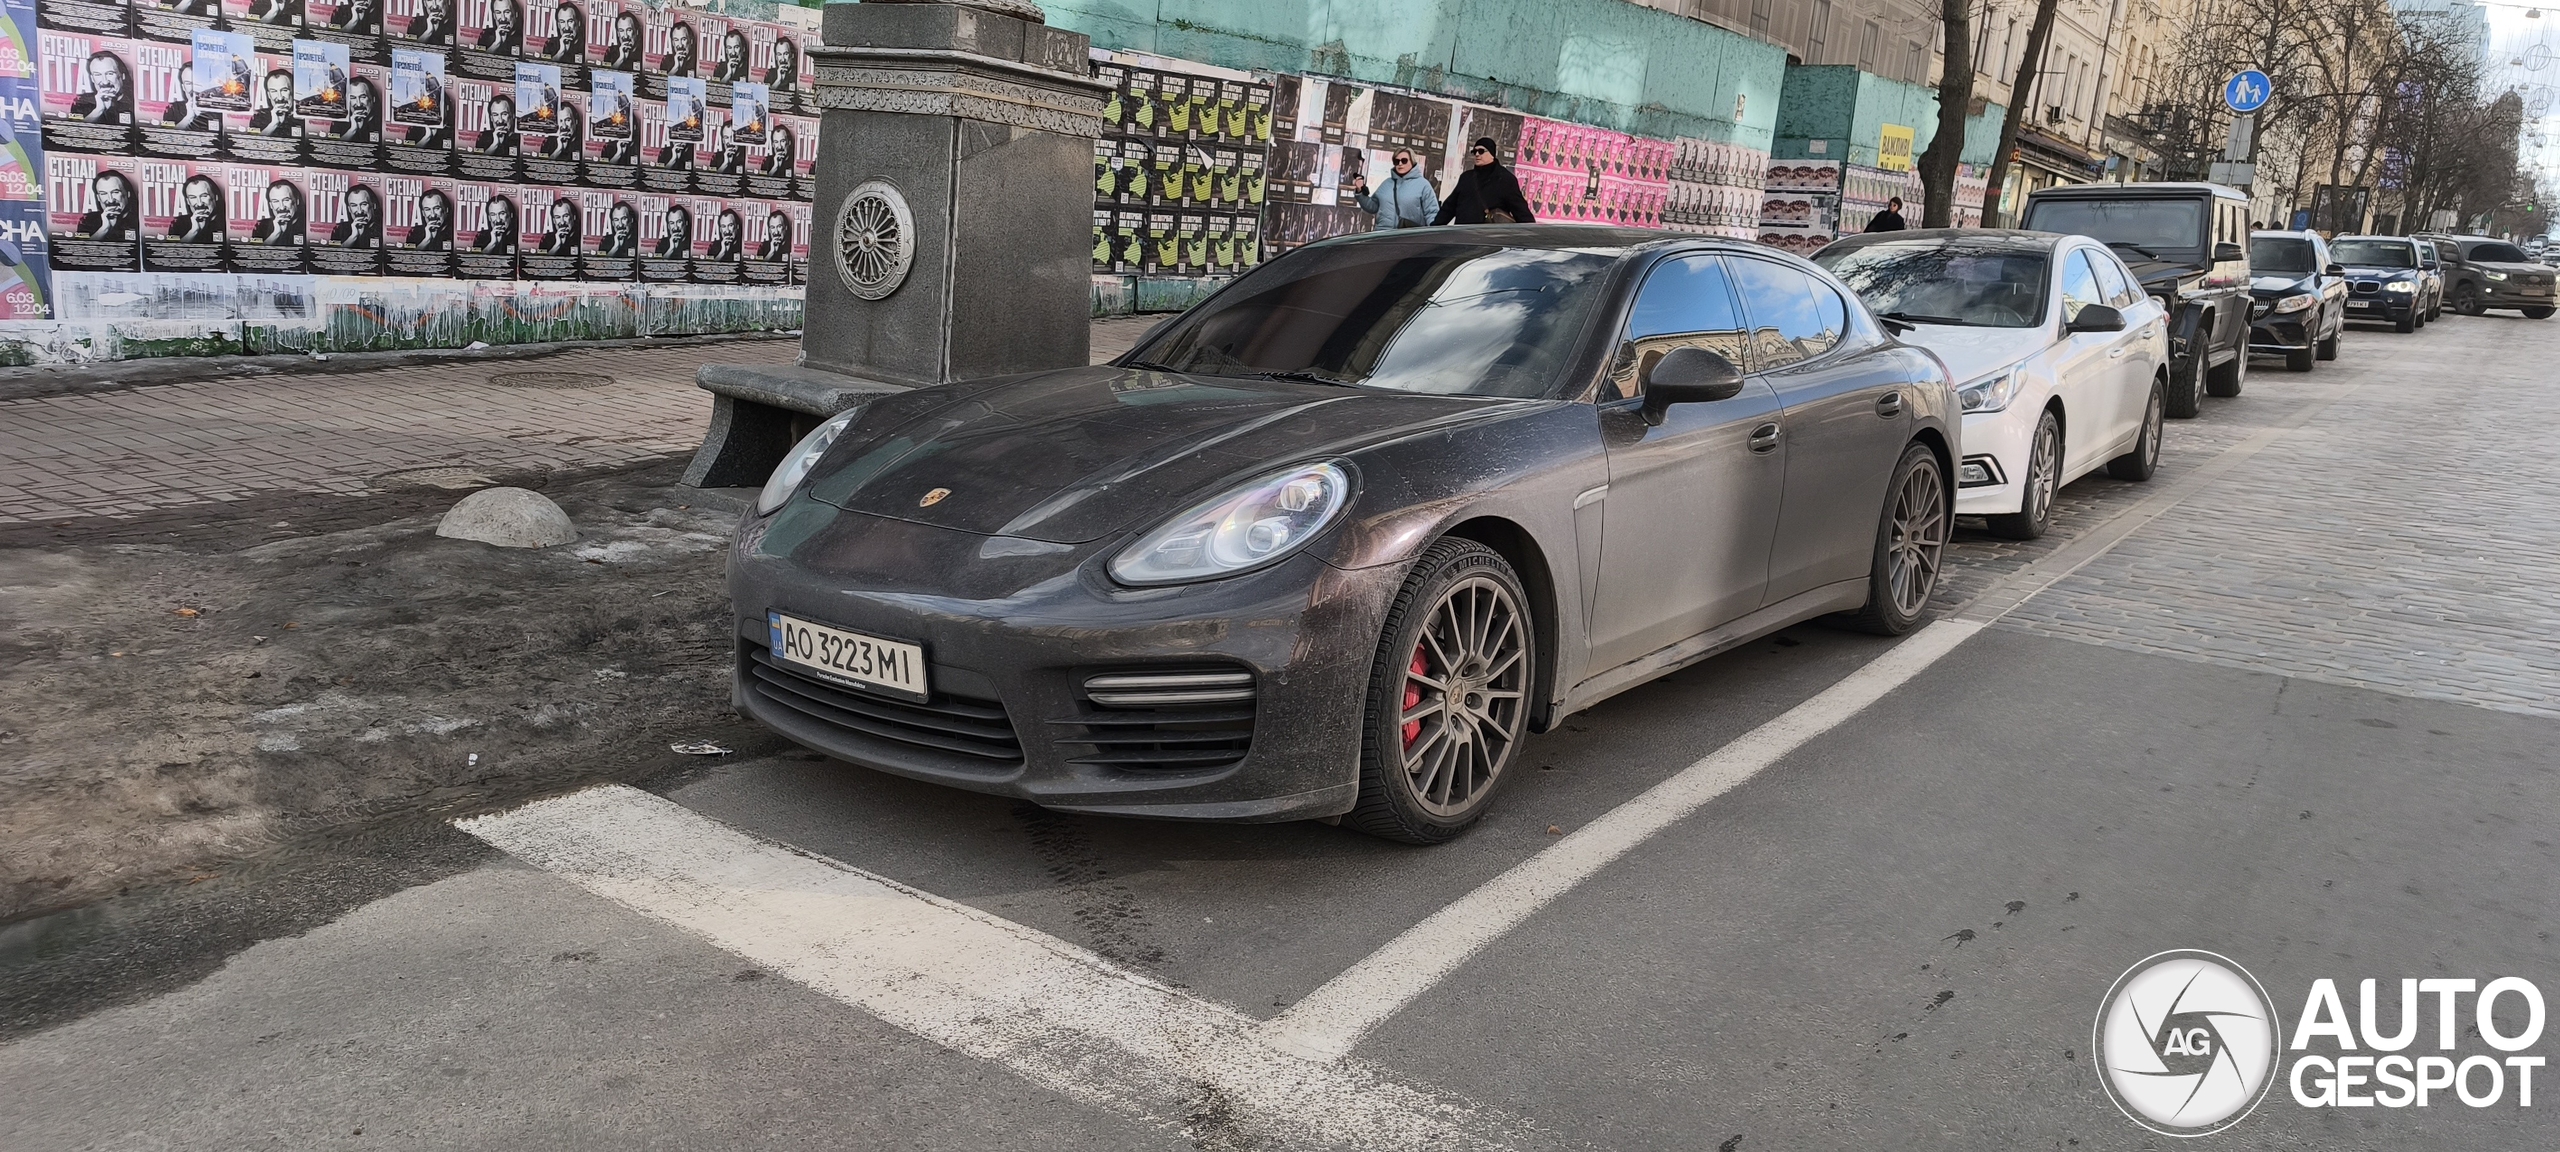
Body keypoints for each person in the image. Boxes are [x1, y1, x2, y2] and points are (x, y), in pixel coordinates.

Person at [1432, 137, 1533, 225]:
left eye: (1481, 151)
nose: (1477, 154)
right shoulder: (1466, 178)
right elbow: (1449, 208)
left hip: (1488, 238)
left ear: (1492, 154)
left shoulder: (1505, 179)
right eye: (1474, 151)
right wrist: (1434, 228)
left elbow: (1521, 212)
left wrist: (1531, 235)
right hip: (1462, 236)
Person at [1352, 149, 1438, 231]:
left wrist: (1433, 235)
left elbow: (1432, 213)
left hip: (1407, 236)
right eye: (1397, 161)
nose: (1400, 164)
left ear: (1412, 162)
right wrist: (1360, 192)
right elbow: (1372, 207)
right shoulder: (1387, 183)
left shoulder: (1423, 185)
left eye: (1404, 160)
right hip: (1383, 235)